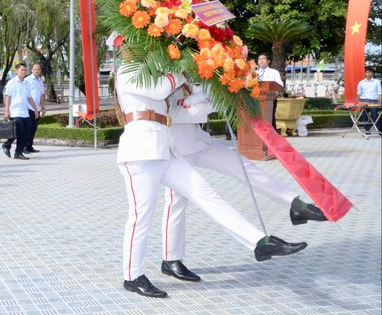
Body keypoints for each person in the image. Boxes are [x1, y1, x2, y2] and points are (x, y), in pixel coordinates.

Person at [114, 65, 306, 299]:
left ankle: (259, 242)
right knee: (141, 217)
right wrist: (184, 67)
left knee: (206, 193)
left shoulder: (156, 71)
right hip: (140, 153)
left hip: (165, 150)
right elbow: (159, 89)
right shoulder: (127, 71)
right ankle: (133, 276)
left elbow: (180, 105)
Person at [159, 84, 327, 282]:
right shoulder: (161, 73)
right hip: (175, 148)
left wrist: (230, 89)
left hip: (198, 140)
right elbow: (174, 112)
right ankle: (171, 259)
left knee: (244, 167)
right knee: (177, 204)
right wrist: (220, 100)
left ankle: (296, 205)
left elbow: (200, 98)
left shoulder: (188, 67)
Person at [2, 63, 39, 160]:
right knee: (19, 130)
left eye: (25, 70)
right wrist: (6, 111)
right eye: (22, 70)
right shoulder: (12, 82)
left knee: (26, 132)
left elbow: (29, 97)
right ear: (16, 71)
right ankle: (7, 144)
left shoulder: (26, 83)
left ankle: (18, 152)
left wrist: (35, 109)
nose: (24, 72)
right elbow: (8, 97)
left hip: (24, 112)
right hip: (15, 111)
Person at [25, 63, 46, 153]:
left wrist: (43, 107)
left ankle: (30, 146)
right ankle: (24, 147)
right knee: (27, 129)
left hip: (37, 108)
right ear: (32, 70)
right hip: (29, 108)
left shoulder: (40, 81)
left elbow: (42, 94)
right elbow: (25, 94)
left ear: (40, 70)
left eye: (38, 69)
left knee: (33, 129)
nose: (36, 71)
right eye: (35, 69)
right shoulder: (27, 80)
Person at [357, 66, 382, 133]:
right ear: (365, 73)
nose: (369, 74)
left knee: (374, 114)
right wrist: (357, 101)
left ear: (373, 73)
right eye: (367, 72)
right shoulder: (361, 82)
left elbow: (380, 92)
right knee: (364, 114)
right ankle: (367, 129)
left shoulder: (377, 82)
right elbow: (359, 93)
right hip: (363, 100)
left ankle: (380, 129)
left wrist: (380, 102)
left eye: (370, 72)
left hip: (373, 101)